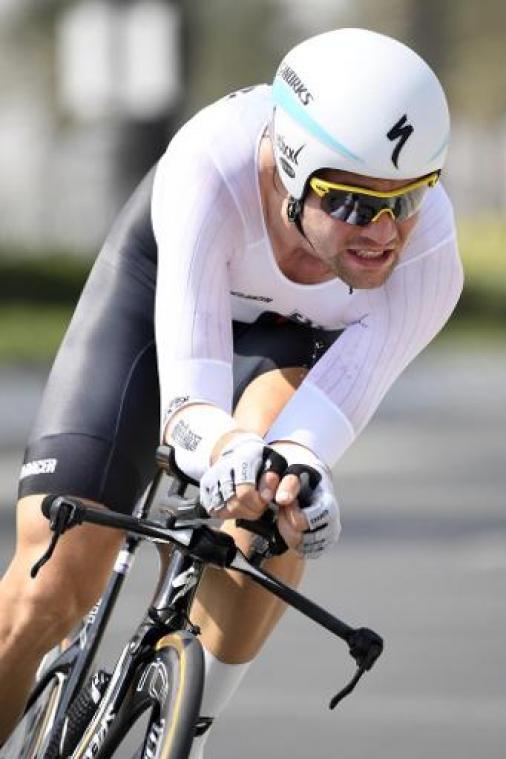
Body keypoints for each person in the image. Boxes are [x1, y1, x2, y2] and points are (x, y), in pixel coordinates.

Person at [0, 27, 463, 755]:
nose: (383, 232)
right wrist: (218, 445)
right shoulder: (211, 164)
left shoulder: (430, 257)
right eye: (351, 201)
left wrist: (301, 474)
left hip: (290, 345)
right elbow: (189, 407)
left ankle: (184, 729)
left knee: (275, 504)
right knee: (49, 584)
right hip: (159, 301)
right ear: (291, 166)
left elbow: (320, 424)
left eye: (408, 200)